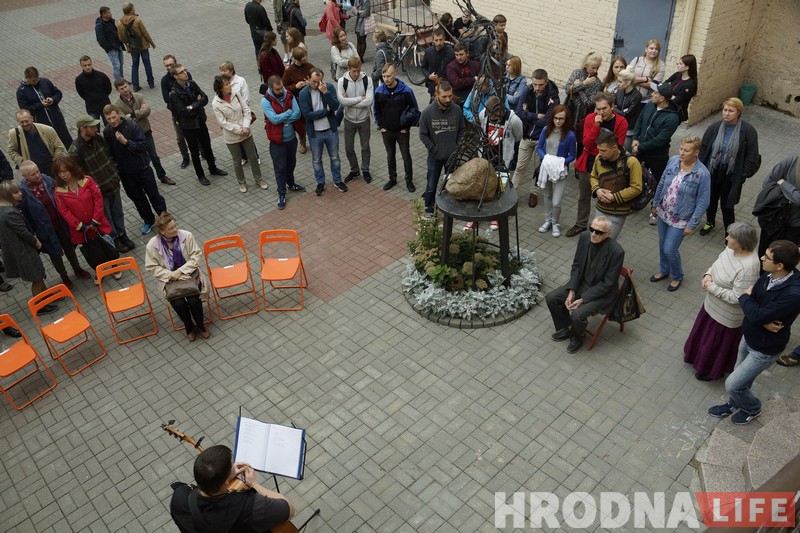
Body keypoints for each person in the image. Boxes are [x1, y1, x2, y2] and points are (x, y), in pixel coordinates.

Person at [708, 240, 800, 424]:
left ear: (780, 265)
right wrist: (761, 319)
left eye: (767, 257)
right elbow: (757, 310)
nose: (761, 258)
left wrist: (744, 297)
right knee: (740, 377)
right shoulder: (770, 274)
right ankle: (733, 404)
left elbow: (753, 308)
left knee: (733, 384)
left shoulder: (793, 293)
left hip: (764, 349)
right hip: (750, 335)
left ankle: (753, 408)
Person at [684, 222, 760, 381]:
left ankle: (708, 369)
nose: (726, 238)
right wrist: (708, 275)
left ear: (741, 242)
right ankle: (695, 356)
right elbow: (717, 264)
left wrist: (711, 287)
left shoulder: (749, 267)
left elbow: (738, 298)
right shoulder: (731, 249)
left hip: (725, 316)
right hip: (711, 305)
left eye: (731, 237)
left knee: (713, 344)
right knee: (704, 337)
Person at [546, 216, 625, 354]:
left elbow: (608, 284)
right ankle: (568, 328)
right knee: (552, 298)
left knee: (577, 315)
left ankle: (578, 335)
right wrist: (572, 290)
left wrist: (583, 299)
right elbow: (576, 265)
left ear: (608, 233)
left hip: (601, 293)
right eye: (591, 229)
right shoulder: (584, 237)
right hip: (581, 284)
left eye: (598, 232)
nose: (593, 234)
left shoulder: (616, 252)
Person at [169, 444, 294, 531]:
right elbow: (289, 509)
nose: (234, 466)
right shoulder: (248, 507)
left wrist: (225, 476)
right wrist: (254, 484)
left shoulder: (179, 497)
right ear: (226, 483)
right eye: (232, 465)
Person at [650, 136, 711, 292]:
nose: (682, 153)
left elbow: (703, 201)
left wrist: (692, 224)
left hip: (681, 218)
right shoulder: (673, 161)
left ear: (696, 152)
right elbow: (662, 182)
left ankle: (677, 276)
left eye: (687, 150)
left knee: (670, 249)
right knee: (662, 245)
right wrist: (655, 204)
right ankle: (664, 270)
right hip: (664, 211)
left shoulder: (702, 174)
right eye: (681, 149)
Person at [18, 160, 92, 288]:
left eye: (37, 171)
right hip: (44, 229)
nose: (38, 175)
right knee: (54, 254)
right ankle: (64, 276)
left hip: (60, 223)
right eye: (33, 174)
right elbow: (25, 214)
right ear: (25, 177)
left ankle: (77, 268)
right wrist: (33, 232)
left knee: (69, 247)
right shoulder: (23, 192)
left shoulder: (47, 180)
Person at [69, 115, 134, 253]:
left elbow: (109, 154)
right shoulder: (75, 149)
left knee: (118, 213)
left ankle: (122, 234)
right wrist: (92, 189)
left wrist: (114, 173)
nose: (95, 128)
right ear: (83, 129)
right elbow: (78, 174)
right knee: (106, 217)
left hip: (112, 183)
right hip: (98, 191)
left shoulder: (98, 138)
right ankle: (115, 239)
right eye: (92, 126)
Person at [566, 93, 628, 238]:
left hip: (608, 167)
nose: (600, 112)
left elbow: (617, 147)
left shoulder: (621, 122)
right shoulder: (590, 119)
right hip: (588, 163)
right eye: (598, 109)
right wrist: (596, 126)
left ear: (612, 106)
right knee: (584, 197)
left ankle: (601, 229)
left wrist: (602, 151)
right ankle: (581, 224)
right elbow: (586, 144)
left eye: (604, 108)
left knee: (604, 199)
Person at [697, 97, 760, 236]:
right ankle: (710, 222)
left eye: (731, 111)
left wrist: (743, 175)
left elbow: (752, 155)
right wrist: (700, 168)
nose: (726, 113)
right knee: (710, 200)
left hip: (731, 175)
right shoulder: (714, 128)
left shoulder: (748, 131)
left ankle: (730, 232)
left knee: (727, 206)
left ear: (739, 113)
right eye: (725, 110)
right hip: (712, 171)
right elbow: (704, 149)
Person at [144, 212, 211, 341]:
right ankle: (189, 327)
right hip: (168, 279)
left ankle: (201, 325)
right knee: (178, 302)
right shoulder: (152, 245)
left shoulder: (187, 236)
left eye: (175, 226)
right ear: (162, 231)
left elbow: (195, 256)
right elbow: (152, 267)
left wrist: (180, 272)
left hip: (189, 274)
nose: (175, 230)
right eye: (171, 228)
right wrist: (171, 275)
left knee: (193, 299)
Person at [103, 106, 167, 236]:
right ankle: (148, 220)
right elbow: (109, 152)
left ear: (119, 114)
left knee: (154, 195)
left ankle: (164, 218)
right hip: (126, 174)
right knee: (138, 199)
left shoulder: (131, 125)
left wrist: (126, 142)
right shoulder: (107, 132)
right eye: (108, 119)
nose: (112, 121)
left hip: (143, 169)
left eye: (114, 117)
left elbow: (142, 147)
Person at [0, 181, 59, 314]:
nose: (20, 193)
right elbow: (23, 232)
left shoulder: (3, 210)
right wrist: (35, 242)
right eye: (16, 192)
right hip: (23, 251)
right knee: (36, 277)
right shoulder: (10, 213)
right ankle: (39, 306)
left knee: (38, 273)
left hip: (17, 249)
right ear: (8, 195)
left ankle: (46, 297)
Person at [51, 154, 115, 276]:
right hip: (82, 230)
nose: (62, 175)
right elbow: (64, 212)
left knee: (106, 244)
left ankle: (115, 266)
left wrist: (95, 220)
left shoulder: (87, 181)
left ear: (71, 168)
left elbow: (98, 199)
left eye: (65, 171)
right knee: (91, 251)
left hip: (98, 223)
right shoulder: (58, 192)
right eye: (59, 173)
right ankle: (99, 272)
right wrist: (80, 226)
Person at [169, 64, 228, 186]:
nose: (185, 73)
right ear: (175, 76)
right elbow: (184, 112)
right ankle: (200, 175)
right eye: (181, 72)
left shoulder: (192, 83)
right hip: (188, 126)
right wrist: (197, 102)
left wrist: (192, 106)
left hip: (200, 121)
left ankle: (213, 168)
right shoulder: (174, 93)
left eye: (185, 70)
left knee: (207, 146)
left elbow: (205, 98)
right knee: (195, 151)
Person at [632, 82, 681, 224]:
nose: (652, 94)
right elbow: (639, 122)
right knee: (636, 176)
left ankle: (656, 210)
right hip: (641, 149)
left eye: (655, 93)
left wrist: (640, 147)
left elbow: (660, 140)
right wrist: (635, 138)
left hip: (657, 156)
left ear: (662, 98)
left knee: (659, 183)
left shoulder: (672, 118)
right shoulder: (649, 105)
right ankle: (634, 202)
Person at [113, 77, 175, 185]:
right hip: (133, 136)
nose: (125, 89)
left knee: (154, 156)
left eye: (126, 86)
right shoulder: (117, 105)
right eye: (122, 88)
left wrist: (132, 115)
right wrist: (140, 113)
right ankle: (146, 180)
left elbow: (147, 111)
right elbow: (124, 120)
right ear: (117, 90)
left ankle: (162, 176)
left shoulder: (139, 96)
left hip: (146, 131)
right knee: (141, 159)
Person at [211, 76, 267, 194]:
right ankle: (241, 182)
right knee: (237, 160)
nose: (230, 86)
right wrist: (240, 130)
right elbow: (223, 122)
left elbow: (246, 110)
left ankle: (259, 179)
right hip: (232, 136)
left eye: (229, 83)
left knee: (253, 157)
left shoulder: (235, 93)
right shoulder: (216, 103)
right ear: (220, 88)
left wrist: (246, 126)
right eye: (227, 84)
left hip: (246, 131)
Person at [419, 80, 465, 218]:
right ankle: (429, 209)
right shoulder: (427, 112)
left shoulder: (457, 110)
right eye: (444, 96)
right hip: (435, 156)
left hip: (452, 156)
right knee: (431, 184)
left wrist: (457, 147)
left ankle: (451, 208)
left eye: (450, 96)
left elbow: (462, 130)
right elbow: (423, 134)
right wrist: (433, 149)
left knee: (452, 184)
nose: (448, 99)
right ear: (436, 95)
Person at [513, 69, 560, 203]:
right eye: (535, 84)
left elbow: (547, 121)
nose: (537, 88)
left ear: (546, 82)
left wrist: (528, 116)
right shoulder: (527, 91)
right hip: (526, 136)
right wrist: (535, 116)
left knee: (538, 169)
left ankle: (533, 192)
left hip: (542, 139)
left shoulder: (553, 97)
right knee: (520, 167)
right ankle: (511, 192)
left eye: (540, 85)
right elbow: (518, 112)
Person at [298, 68, 345, 196]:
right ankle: (320, 183)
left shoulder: (328, 87)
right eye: (314, 81)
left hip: (330, 130)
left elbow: (336, 106)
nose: (317, 84)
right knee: (317, 160)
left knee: (335, 157)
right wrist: (326, 111)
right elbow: (307, 115)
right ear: (308, 79)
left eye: (319, 81)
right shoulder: (303, 94)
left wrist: (326, 93)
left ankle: (337, 180)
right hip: (315, 133)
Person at [374, 64, 420, 192]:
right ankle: (392, 179)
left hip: (402, 131)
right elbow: (376, 110)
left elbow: (414, 109)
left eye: (388, 76)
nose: (386, 79)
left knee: (406, 156)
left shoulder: (406, 91)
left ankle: (409, 181)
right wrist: (380, 126)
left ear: (395, 75)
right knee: (390, 156)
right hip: (387, 131)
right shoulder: (379, 91)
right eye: (384, 76)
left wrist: (407, 127)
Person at [588, 130, 642, 240]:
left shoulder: (631, 162)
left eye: (603, 150)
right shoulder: (599, 158)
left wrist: (614, 197)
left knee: (607, 242)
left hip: (617, 213)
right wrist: (597, 190)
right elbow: (593, 176)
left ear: (614, 147)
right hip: (600, 208)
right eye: (599, 149)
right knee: (595, 240)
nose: (600, 153)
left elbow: (636, 187)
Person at [263, 76, 305, 210]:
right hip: (277, 142)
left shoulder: (289, 95)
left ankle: (291, 184)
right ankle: (281, 193)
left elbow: (297, 114)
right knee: (280, 168)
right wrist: (287, 113)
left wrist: (282, 119)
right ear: (271, 88)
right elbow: (274, 120)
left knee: (291, 163)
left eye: (281, 87)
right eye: (278, 89)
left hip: (291, 139)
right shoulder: (265, 101)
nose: (281, 91)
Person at [535, 105, 576, 238]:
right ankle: (548, 220)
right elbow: (539, 147)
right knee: (547, 196)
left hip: (560, 170)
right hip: (546, 168)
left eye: (561, 118)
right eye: (555, 118)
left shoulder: (570, 135)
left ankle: (555, 222)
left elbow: (572, 155)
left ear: (566, 119)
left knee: (556, 201)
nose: (558, 121)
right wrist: (546, 159)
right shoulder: (546, 130)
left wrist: (560, 162)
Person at [753, 154, 800, 259]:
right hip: (774, 217)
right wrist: (792, 196)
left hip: (794, 226)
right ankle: (762, 270)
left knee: (784, 257)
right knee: (764, 253)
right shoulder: (791, 161)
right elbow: (767, 183)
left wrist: (783, 184)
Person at [338, 57, 374, 184]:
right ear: (348, 69)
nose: (357, 73)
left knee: (365, 147)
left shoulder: (367, 80)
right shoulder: (342, 81)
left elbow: (369, 101)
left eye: (358, 70)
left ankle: (365, 170)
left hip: (364, 119)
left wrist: (350, 102)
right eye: (354, 71)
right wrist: (360, 99)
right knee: (348, 148)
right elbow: (342, 102)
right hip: (349, 120)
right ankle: (354, 170)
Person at [16, 67, 73, 148]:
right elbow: (25, 110)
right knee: (50, 145)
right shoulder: (21, 91)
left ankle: (74, 155)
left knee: (66, 139)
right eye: (33, 81)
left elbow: (58, 93)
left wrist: (52, 99)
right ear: (27, 78)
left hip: (57, 118)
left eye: (37, 79)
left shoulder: (45, 81)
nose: (36, 82)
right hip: (41, 123)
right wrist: (40, 104)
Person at [219, 61, 261, 167]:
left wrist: (239, 110)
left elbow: (246, 99)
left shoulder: (241, 81)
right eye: (221, 71)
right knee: (236, 137)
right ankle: (244, 157)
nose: (222, 73)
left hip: (242, 114)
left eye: (225, 70)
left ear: (231, 71)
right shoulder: (220, 83)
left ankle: (255, 156)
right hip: (230, 117)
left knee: (246, 136)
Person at [8, 109, 66, 177]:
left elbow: (59, 146)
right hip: (33, 172)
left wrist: (56, 160)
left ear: (32, 118)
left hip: (51, 167)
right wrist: (22, 162)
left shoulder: (47, 130)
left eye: (26, 121)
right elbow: (11, 150)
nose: (25, 124)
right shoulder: (14, 134)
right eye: (22, 122)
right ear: (17, 121)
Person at [282, 47, 315, 154]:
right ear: (297, 58)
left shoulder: (310, 66)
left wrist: (310, 83)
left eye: (305, 55)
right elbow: (284, 87)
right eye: (303, 57)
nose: (305, 58)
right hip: (297, 100)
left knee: (312, 120)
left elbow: (317, 78)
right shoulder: (289, 71)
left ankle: (314, 141)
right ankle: (302, 142)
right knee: (301, 123)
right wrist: (295, 86)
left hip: (311, 98)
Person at [117, 2, 156, 92]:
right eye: (133, 9)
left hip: (132, 47)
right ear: (131, 11)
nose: (135, 10)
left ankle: (135, 85)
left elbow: (120, 37)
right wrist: (152, 43)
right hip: (143, 45)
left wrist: (127, 43)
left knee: (134, 64)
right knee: (147, 63)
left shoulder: (119, 23)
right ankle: (151, 83)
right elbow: (145, 33)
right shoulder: (137, 20)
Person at [161, 55, 191, 169]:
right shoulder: (165, 80)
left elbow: (192, 91)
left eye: (171, 64)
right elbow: (166, 99)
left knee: (196, 133)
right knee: (180, 137)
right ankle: (185, 157)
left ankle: (202, 152)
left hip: (190, 110)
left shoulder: (186, 75)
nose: (169, 67)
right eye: (167, 65)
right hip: (177, 114)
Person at [564, 52, 603, 128]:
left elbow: (589, 103)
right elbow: (567, 90)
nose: (595, 71)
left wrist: (580, 86)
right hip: (569, 109)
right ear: (586, 65)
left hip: (582, 117)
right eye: (593, 68)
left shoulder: (597, 83)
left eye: (597, 68)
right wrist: (584, 83)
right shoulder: (577, 73)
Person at [75, 56, 112, 124]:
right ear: (81, 66)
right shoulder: (79, 79)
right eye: (85, 65)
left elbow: (108, 88)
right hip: (91, 107)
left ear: (91, 63)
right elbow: (80, 92)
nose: (87, 67)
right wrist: (89, 99)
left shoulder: (101, 76)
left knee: (110, 125)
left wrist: (103, 97)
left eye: (89, 65)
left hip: (105, 105)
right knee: (94, 127)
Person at [613, 67, 642, 151]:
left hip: (629, 128)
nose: (618, 84)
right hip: (617, 124)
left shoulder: (637, 96)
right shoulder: (619, 91)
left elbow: (627, 114)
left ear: (628, 82)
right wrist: (620, 111)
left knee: (624, 150)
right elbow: (612, 105)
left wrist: (615, 109)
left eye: (620, 82)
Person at [421, 29, 455, 100]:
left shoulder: (451, 52)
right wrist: (429, 76)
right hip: (433, 86)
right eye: (436, 40)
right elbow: (424, 67)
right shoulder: (428, 52)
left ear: (444, 39)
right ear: (433, 40)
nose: (439, 43)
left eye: (440, 40)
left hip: (447, 86)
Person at [664, 54, 698, 122]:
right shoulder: (677, 74)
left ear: (687, 67)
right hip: (665, 107)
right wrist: (671, 95)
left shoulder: (690, 85)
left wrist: (666, 92)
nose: (678, 65)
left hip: (675, 113)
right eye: (678, 63)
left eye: (680, 64)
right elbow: (664, 85)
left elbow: (676, 101)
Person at [95, 6, 125, 80]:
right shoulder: (99, 26)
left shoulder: (111, 21)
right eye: (109, 12)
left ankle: (122, 79)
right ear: (104, 14)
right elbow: (101, 40)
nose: (111, 14)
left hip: (118, 45)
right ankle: (118, 82)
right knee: (116, 65)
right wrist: (109, 47)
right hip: (111, 49)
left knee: (121, 64)